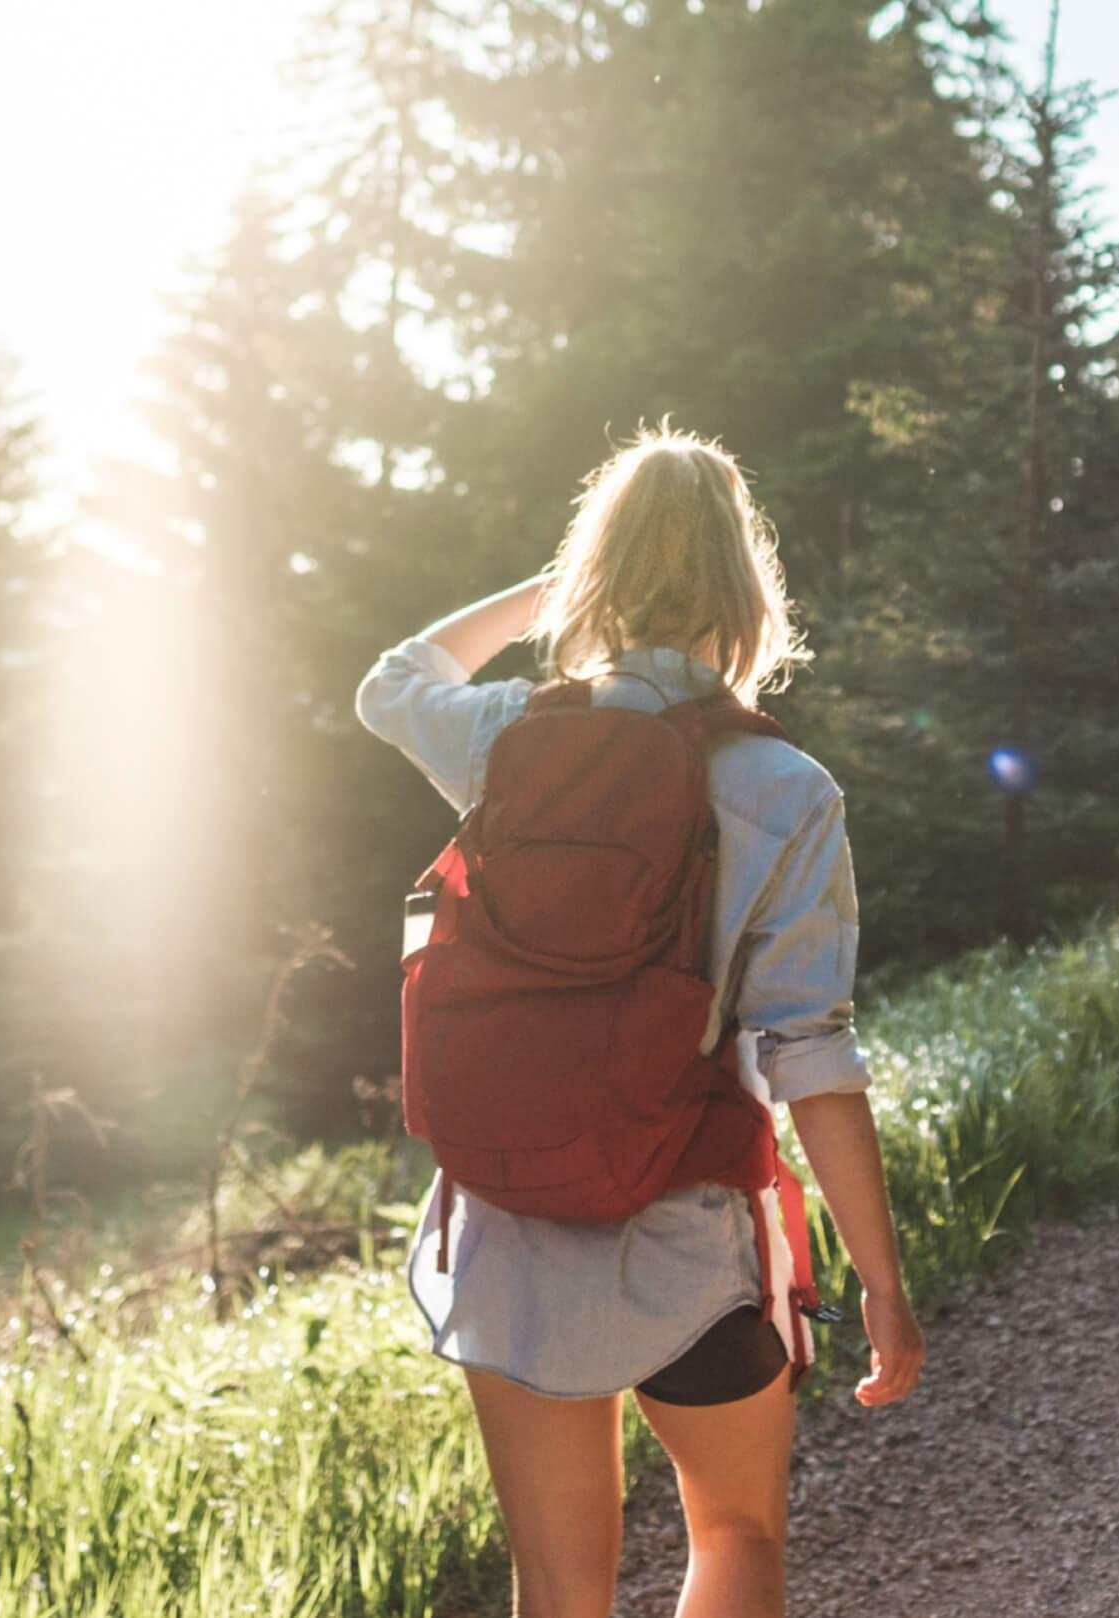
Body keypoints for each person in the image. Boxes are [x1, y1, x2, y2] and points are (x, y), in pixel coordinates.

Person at [355, 425, 925, 1618]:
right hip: (684, 1231)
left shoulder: (508, 739)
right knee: (734, 1535)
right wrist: (879, 1279)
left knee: (558, 1589)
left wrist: (546, 594)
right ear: (744, 587)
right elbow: (808, 1050)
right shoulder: (783, 789)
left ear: (596, 573)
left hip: (507, 1225)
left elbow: (391, 679)